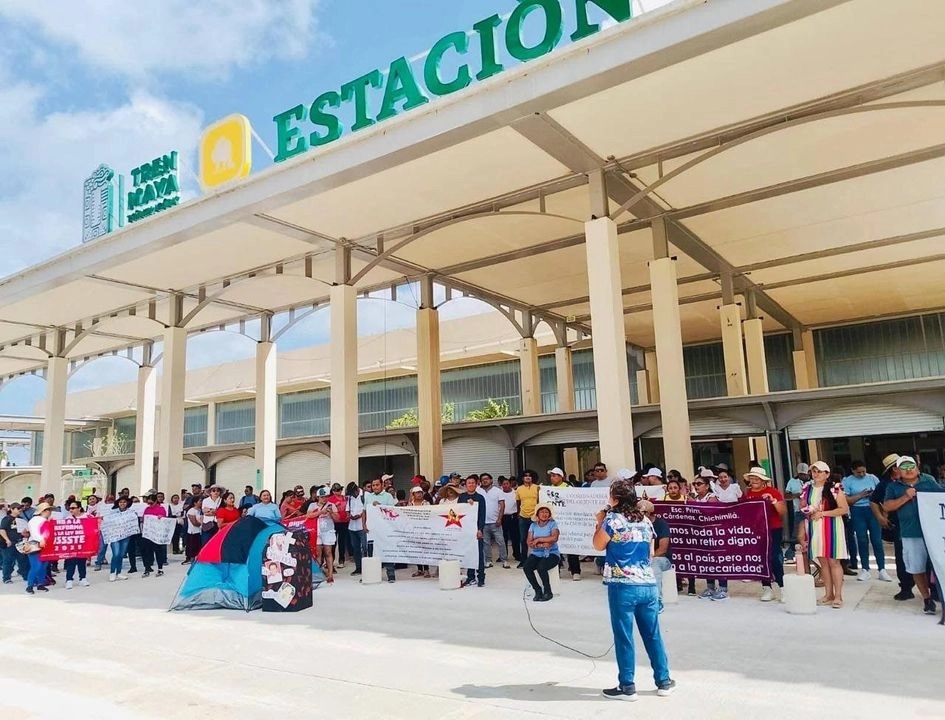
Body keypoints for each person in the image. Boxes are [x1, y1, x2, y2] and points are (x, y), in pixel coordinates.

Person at [593, 479, 675, 701]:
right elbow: (649, 554)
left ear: (616, 498)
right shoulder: (646, 521)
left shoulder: (612, 520)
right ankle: (664, 681)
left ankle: (627, 685)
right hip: (647, 584)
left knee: (624, 637)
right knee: (653, 634)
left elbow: (598, 545)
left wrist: (599, 523)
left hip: (622, 587)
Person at [883, 455, 945, 615]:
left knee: (939, 564)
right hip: (911, 533)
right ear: (897, 471)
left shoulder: (929, 480)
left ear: (917, 467)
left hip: (933, 532)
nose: (908, 470)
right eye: (904, 467)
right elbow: (888, 506)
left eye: (911, 466)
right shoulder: (893, 487)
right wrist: (906, 497)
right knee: (917, 568)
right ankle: (927, 599)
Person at [797, 461, 849, 608]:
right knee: (823, 563)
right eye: (813, 471)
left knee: (833, 562)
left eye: (819, 471)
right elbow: (802, 506)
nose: (815, 474)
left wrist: (822, 513)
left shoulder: (835, 488)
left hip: (832, 528)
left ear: (827, 474)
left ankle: (838, 596)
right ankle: (828, 594)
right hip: (815, 528)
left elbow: (843, 509)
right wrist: (808, 510)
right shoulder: (807, 488)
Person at [871, 453, 915, 601]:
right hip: (899, 524)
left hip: (918, 524)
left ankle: (932, 588)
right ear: (894, 469)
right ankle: (906, 587)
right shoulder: (885, 485)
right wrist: (880, 517)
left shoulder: (921, 480)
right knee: (902, 556)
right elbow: (874, 501)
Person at [743, 467, 787, 602]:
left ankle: (783, 588)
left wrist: (772, 500)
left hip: (773, 528)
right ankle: (767, 588)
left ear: (763, 480)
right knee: (761, 560)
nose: (754, 480)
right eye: (752, 478)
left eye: (757, 478)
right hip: (757, 530)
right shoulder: (747, 493)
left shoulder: (773, 491)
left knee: (774, 558)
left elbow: (782, 511)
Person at [842, 460, 891, 582]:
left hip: (873, 509)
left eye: (864, 471)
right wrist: (861, 495)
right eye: (859, 472)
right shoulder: (847, 481)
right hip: (857, 510)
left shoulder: (873, 478)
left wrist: (883, 512)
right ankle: (865, 569)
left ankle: (882, 569)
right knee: (862, 539)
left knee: (876, 540)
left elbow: (882, 494)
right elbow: (846, 500)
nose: (862, 474)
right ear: (853, 471)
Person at [523, 503, 560, 602]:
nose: (544, 514)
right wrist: (543, 544)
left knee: (541, 567)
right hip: (536, 553)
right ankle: (537, 590)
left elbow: (554, 538)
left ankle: (548, 592)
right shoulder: (533, 525)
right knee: (526, 567)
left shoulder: (553, 524)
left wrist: (538, 539)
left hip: (552, 553)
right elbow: (529, 542)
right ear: (537, 514)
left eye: (547, 512)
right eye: (542, 512)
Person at [363, 477, 397, 582]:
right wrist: (364, 524)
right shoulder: (368, 497)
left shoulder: (388, 496)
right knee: (371, 551)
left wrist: (380, 506)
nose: (375, 487)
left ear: (382, 485)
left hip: (385, 529)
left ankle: (390, 574)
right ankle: (372, 574)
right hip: (372, 529)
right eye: (373, 485)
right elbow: (364, 511)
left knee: (387, 550)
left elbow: (392, 511)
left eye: (377, 485)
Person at [458, 475, 487, 587]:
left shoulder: (480, 498)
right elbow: (459, 511)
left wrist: (480, 529)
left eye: (473, 483)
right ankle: (470, 577)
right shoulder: (462, 497)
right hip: (466, 530)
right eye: (468, 483)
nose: (471, 484)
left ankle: (481, 578)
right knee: (469, 553)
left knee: (479, 554)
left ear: (476, 484)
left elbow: (482, 514)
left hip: (476, 530)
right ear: (465, 485)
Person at [477, 473, 508, 569]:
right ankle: (488, 560)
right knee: (486, 543)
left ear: (491, 480)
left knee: (501, 541)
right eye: (483, 479)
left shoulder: (497, 491)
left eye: (487, 479)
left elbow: (502, 505)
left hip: (495, 522)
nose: (485, 481)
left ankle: (504, 560)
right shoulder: (478, 491)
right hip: (483, 522)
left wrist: (499, 518)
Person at [311, 487, 339, 584]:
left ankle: (330, 574)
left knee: (328, 552)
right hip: (317, 531)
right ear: (318, 497)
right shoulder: (312, 505)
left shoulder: (332, 505)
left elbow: (338, 519)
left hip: (328, 531)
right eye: (322, 497)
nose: (324, 499)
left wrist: (331, 513)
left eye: (326, 497)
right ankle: (318, 574)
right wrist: (320, 512)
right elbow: (308, 515)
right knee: (318, 553)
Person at [24, 501, 53, 594]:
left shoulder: (43, 520)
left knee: (43, 566)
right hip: (36, 545)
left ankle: (40, 583)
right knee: (36, 566)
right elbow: (35, 532)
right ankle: (30, 585)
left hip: (44, 545)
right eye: (49, 510)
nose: (50, 512)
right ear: (44, 511)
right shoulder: (35, 520)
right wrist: (41, 539)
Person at [62, 500, 91, 589]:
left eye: (73, 508)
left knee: (82, 561)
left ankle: (83, 578)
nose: (71, 510)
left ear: (79, 508)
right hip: (72, 544)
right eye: (70, 508)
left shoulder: (87, 517)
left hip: (83, 543)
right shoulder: (67, 519)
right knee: (71, 562)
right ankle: (69, 580)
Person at [107, 496, 136, 582]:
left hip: (125, 536)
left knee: (121, 554)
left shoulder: (131, 513)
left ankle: (118, 572)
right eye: (120, 502)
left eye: (124, 502)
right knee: (116, 554)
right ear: (118, 503)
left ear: (127, 503)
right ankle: (112, 572)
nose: (122, 504)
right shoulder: (113, 512)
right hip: (114, 536)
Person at [515, 470, 540, 567]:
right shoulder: (519, 489)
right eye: (525, 476)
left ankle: (537, 559)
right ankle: (523, 560)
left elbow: (539, 501)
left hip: (535, 517)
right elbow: (518, 502)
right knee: (523, 539)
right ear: (522, 478)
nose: (528, 477)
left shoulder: (537, 488)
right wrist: (518, 513)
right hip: (523, 517)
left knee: (537, 538)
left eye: (530, 476)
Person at [784, 463, 808, 560]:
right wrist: (796, 495)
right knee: (796, 534)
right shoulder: (792, 482)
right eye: (801, 474)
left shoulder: (811, 482)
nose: (803, 476)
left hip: (811, 511)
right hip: (798, 510)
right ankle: (791, 555)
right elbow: (786, 496)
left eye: (804, 474)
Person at [1, 502, 29, 584]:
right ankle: (6, 577)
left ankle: (25, 575)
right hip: (10, 544)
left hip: (20, 542)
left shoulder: (21, 519)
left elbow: (25, 531)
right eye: (17, 508)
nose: (19, 510)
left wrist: (25, 534)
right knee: (8, 561)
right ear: (12, 509)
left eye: (20, 508)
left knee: (23, 560)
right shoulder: (6, 519)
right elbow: (2, 530)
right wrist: (7, 540)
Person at [407, 486, 431, 578]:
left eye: (420, 492)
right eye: (417, 493)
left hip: (424, 530)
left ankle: (427, 570)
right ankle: (419, 569)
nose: (419, 494)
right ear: (413, 494)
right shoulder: (410, 505)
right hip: (414, 530)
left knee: (425, 550)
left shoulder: (426, 503)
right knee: (416, 550)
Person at [345, 483, 367, 576]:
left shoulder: (365, 496)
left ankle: (366, 567)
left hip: (362, 526)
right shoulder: (350, 498)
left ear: (357, 490)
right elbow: (347, 510)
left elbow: (366, 510)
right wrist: (350, 516)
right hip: (352, 526)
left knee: (365, 548)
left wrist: (360, 516)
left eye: (353, 493)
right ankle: (358, 567)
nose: (352, 495)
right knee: (356, 548)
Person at [327, 483, 350, 569]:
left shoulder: (345, 498)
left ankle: (341, 560)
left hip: (344, 521)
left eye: (340, 489)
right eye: (336, 490)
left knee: (342, 542)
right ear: (333, 491)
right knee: (333, 542)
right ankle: (331, 561)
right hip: (334, 522)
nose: (339, 491)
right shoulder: (330, 499)